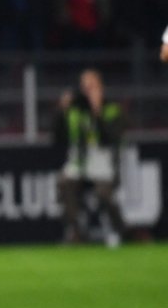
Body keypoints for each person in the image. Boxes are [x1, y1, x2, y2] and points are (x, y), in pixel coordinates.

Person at [53, 68, 126, 245]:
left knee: (104, 194)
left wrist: (97, 112)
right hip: (80, 162)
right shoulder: (75, 110)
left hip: (103, 162)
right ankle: (75, 231)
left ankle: (118, 230)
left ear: (101, 87)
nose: (88, 91)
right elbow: (57, 138)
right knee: (63, 183)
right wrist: (61, 112)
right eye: (85, 87)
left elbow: (111, 138)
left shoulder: (111, 109)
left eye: (92, 86)